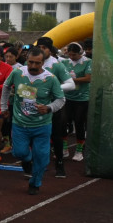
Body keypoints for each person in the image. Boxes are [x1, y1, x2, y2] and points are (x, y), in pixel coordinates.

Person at [0, 47, 65, 194]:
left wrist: (49, 108)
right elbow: (5, 87)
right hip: (20, 124)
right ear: (26, 60)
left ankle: (35, 183)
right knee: (19, 153)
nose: (34, 66)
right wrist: (4, 107)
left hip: (42, 125)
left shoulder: (51, 79)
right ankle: (28, 159)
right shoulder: (17, 73)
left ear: (43, 62)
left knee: (41, 157)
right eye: (30, 62)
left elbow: (61, 99)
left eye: (37, 63)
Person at [35, 37, 75, 178]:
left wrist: (53, 88)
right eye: (39, 46)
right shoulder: (32, 63)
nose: (41, 50)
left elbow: (71, 84)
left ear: (50, 50)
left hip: (54, 106)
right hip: (36, 106)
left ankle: (59, 164)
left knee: (56, 136)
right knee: (36, 136)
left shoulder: (56, 65)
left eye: (44, 47)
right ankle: (37, 164)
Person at [61, 43, 92, 162]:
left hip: (82, 98)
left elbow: (88, 78)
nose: (72, 57)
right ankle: (64, 148)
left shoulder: (87, 62)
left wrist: (71, 80)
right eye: (70, 54)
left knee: (79, 123)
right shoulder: (65, 62)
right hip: (67, 97)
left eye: (74, 55)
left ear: (80, 53)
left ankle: (79, 150)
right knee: (63, 122)